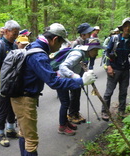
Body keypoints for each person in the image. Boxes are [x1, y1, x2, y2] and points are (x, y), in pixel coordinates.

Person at [10, 23, 96, 156]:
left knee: (24, 134)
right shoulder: (38, 54)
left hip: (20, 96)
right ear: (55, 39)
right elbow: (54, 82)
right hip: (24, 100)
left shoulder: (34, 46)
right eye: (60, 43)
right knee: (31, 140)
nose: (59, 47)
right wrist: (81, 81)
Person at [57, 38, 104, 134]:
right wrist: (74, 76)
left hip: (66, 79)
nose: (96, 53)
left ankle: (65, 123)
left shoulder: (84, 54)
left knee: (67, 102)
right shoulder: (78, 54)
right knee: (65, 103)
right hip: (61, 79)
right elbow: (62, 66)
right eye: (95, 50)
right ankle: (62, 127)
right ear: (90, 49)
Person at [102, 17, 130, 121]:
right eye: (125, 26)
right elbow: (107, 52)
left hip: (125, 70)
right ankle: (104, 111)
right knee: (109, 92)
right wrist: (108, 66)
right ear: (122, 28)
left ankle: (121, 111)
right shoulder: (114, 39)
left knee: (123, 92)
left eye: (129, 26)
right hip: (114, 69)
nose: (127, 28)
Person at [0, 20, 20, 147]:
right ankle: (0, 134)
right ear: (6, 31)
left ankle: (11, 130)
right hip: (2, 84)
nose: (16, 36)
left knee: (12, 108)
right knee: (2, 110)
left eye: (17, 33)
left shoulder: (13, 45)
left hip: (12, 83)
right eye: (14, 33)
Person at [67, 23, 95, 124]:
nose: (90, 34)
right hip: (74, 73)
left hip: (82, 71)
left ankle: (76, 112)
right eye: (88, 33)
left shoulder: (87, 42)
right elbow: (71, 59)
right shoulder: (76, 43)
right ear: (83, 34)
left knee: (78, 93)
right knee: (74, 93)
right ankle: (71, 114)